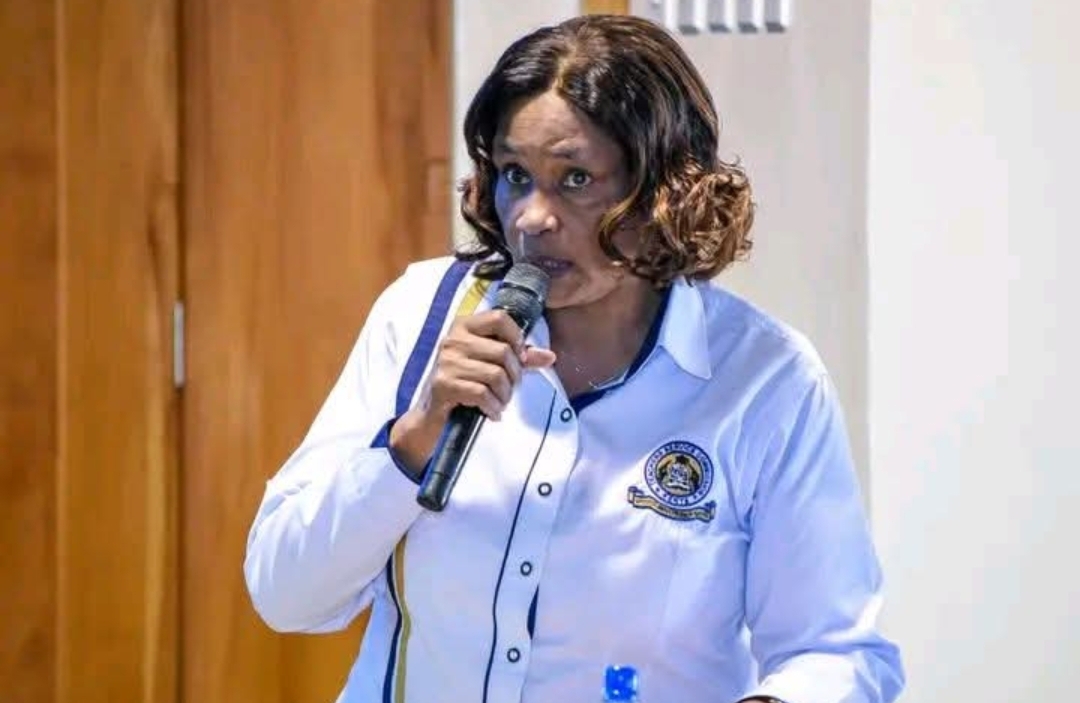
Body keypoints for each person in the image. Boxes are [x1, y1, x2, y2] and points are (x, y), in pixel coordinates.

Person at [243, 14, 905, 703]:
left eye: (576, 178)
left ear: (663, 191)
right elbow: (285, 595)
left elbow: (837, 651)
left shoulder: (764, 378)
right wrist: (411, 442)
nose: (531, 216)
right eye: (513, 174)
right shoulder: (421, 317)